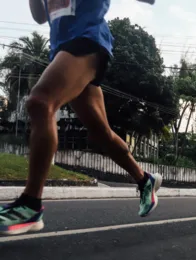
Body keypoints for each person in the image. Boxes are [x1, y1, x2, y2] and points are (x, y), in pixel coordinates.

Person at [0, 0, 161, 236]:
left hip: (87, 42)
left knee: (40, 102)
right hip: (64, 50)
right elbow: (39, 16)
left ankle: (30, 204)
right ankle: (144, 178)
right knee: (101, 133)